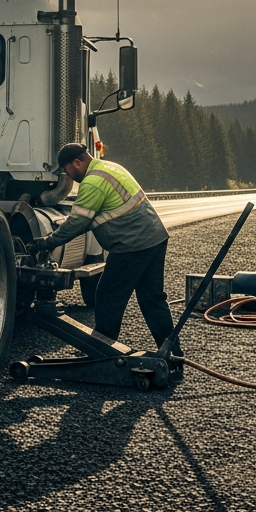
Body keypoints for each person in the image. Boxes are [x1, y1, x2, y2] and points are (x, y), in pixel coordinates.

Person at [30, 143, 178, 354]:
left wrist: (48, 242)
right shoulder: (110, 167)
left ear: (77, 163)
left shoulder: (93, 183)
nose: (67, 176)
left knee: (109, 296)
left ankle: (101, 352)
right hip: (154, 238)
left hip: (132, 244)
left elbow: (77, 223)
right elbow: (89, 221)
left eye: (66, 171)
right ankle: (172, 354)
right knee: (152, 299)